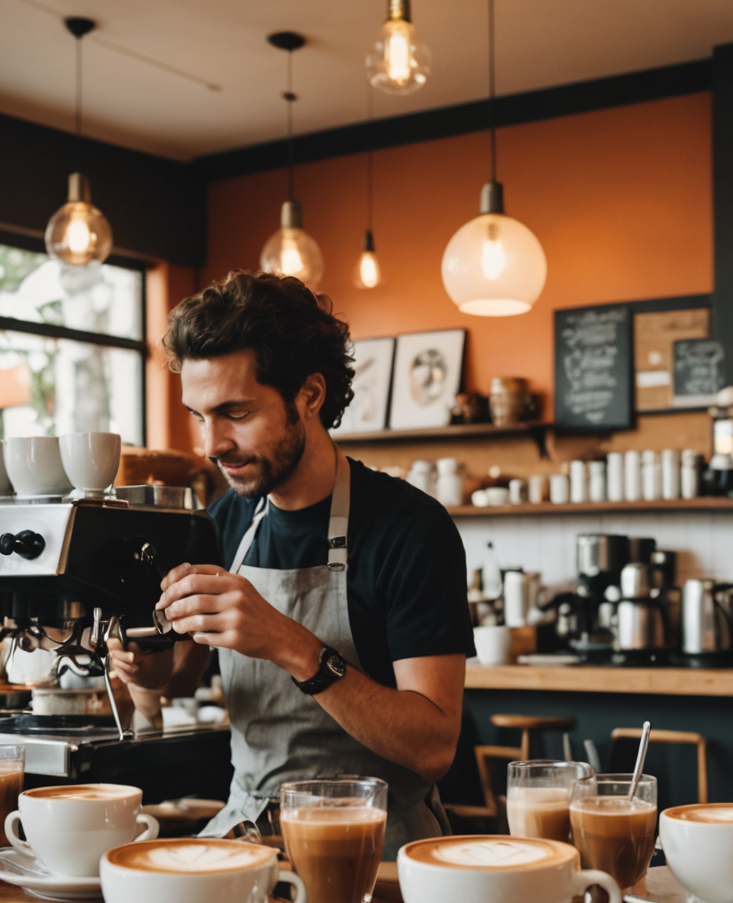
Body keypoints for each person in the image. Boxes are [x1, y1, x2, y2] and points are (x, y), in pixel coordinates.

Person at [110, 271, 473, 856]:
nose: (210, 444)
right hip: (249, 835)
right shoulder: (223, 520)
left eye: (235, 413)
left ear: (310, 395)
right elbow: (179, 675)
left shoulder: (410, 529)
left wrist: (289, 644)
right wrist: (143, 662)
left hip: (376, 846)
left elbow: (433, 747)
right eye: (199, 415)